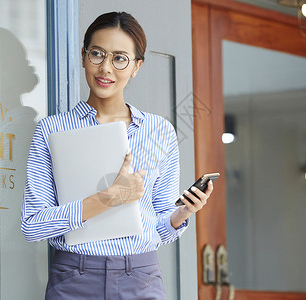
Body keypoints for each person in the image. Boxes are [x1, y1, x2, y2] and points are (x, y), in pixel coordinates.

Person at [21, 11, 214, 300]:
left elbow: (159, 227)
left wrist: (184, 212)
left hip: (141, 278)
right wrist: (107, 199)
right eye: (97, 54)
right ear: (83, 55)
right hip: (74, 279)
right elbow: (32, 225)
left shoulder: (159, 132)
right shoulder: (52, 131)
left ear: (136, 66)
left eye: (119, 58)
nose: (105, 68)